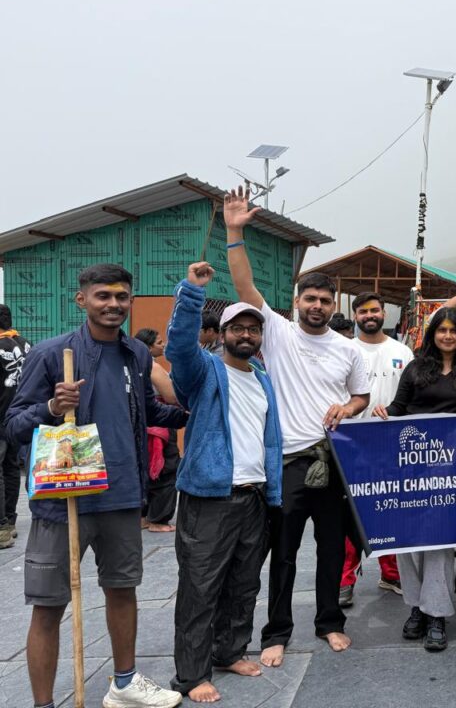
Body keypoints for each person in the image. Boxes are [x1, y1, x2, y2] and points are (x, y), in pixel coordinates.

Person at [5, 263, 187, 708]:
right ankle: (43, 704)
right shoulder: (51, 354)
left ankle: (124, 684)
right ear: (81, 299)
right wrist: (51, 407)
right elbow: (13, 424)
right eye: (103, 295)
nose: (113, 304)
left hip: (121, 497)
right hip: (63, 499)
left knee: (122, 590)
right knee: (48, 605)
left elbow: (148, 411)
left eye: (122, 296)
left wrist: (192, 410)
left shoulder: (137, 354)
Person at [223, 185, 371, 668]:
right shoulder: (278, 333)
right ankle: (277, 632)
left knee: (332, 550)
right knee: (282, 554)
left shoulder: (348, 349)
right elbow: (244, 286)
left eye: (325, 300)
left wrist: (348, 409)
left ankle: (330, 622)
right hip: (287, 464)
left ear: (333, 304)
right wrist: (234, 231)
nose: (317, 306)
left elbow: (362, 396)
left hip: (333, 464)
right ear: (297, 301)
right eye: (310, 298)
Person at [165, 262, 283, 703]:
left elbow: (269, 439)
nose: (246, 335)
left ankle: (229, 651)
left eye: (254, 329)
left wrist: (272, 491)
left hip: (253, 497)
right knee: (200, 588)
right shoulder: (205, 371)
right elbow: (179, 347)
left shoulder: (263, 380)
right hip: (209, 499)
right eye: (238, 328)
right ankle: (191, 675)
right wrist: (192, 292)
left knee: (244, 582)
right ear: (223, 333)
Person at [372, 308, 456, 650]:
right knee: (408, 543)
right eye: (442, 330)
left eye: (454, 330)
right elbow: (398, 407)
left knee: (438, 543)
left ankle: (436, 613)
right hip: (411, 470)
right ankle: (416, 607)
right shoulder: (415, 368)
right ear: (433, 333)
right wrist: (383, 412)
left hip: (451, 472)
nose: (448, 336)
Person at [338, 292, 411, 607]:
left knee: (391, 511)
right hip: (352, 444)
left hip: (393, 445)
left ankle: (391, 574)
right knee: (351, 515)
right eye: (363, 311)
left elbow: (412, 396)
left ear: (384, 313)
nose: (370, 315)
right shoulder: (344, 349)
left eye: (375, 310)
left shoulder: (403, 352)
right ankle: (345, 580)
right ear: (355, 315)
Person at [133, 328, 180, 533]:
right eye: (159, 342)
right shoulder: (151, 366)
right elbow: (171, 396)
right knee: (166, 470)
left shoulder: (128, 364)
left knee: (142, 469)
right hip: (158, 424)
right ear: (148, 347)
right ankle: (158, 520)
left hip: (136, 425)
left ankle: (142, 517)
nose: (163, 345)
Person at [0, 304, 30, 550]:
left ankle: (1, 528)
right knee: (10, 467)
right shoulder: (26, 343)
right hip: (18, 417)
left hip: (0, 415)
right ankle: (9, 520)